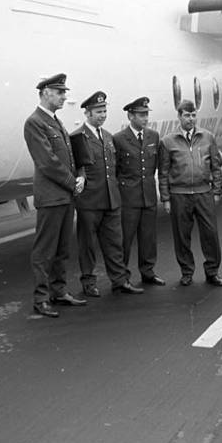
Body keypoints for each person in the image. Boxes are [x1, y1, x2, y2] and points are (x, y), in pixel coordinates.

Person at [23, 73, 88, 318]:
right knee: (44, 251)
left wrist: (79, 177)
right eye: (60, 92)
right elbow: (47, 163)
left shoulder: (55, 121)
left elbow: (70, 156)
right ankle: (41, 299)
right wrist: (74, 183)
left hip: (64, 196)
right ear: (46, 93)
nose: (64, 97)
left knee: (62, 248)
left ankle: (58, 292)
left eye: (64, 92)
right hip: (51, 197)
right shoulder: (35, 122)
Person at [70, 91, 142, 296]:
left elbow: (115, 167)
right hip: (89, 201)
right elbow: (76, 168)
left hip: (111, 200)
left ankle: (120, 280)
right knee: (87, 246)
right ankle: (88, 283)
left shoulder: (108, 137)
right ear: (87, 113)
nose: (102, 115)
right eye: (98, 111)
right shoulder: (77, 138)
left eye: (104, 111)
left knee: (114, 244)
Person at [157, 100, 222, 287]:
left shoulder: (208, 137)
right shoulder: (167, 141)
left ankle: (212, 271)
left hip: (204, 193)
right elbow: (163, 173)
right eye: (187, 115)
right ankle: (186, 272)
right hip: (179, 195)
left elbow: (216, 166)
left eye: (193, 115)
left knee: (210, 234)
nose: (191, 119)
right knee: (182, 236)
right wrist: (166, 199)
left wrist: (217, 191)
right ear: (179, 116)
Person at [113, 97, 165, 286]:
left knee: (148, 238)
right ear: (130, 116)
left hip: (148, 196)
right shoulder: (119, 139)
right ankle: (122, 277)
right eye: (141, 115)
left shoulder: (153, 136)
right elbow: (115, 170)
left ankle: (148, 272)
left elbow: (156, 166)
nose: (145, 118)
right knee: (125, 240)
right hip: (128, 198)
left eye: (146, 114)